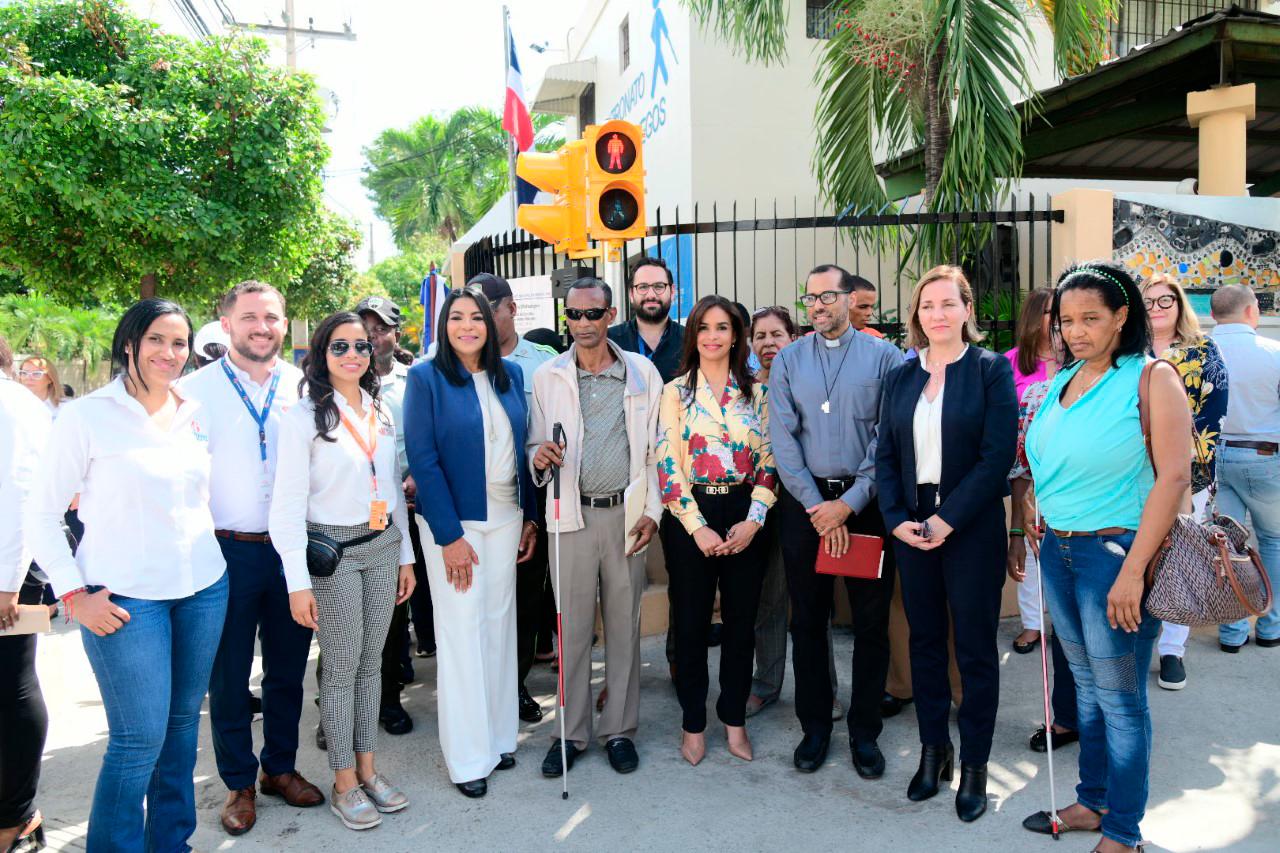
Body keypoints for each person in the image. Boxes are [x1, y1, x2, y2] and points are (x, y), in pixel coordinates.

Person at [27, 299, 230, 852]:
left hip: (203, 589)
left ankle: (171, 844)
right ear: (129, 344)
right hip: (124, 601)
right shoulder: (87, 416)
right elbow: (40, 514)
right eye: (156, 340)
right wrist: (73, 594)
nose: (170, 352)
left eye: (179, 342)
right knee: (138, 740)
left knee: (182, 728)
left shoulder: (195, 411)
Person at [1021, 262, 1192, 853]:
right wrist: (1038, 503)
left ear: (1122, 316)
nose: (1076, 331)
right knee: (1088, 690)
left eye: (1090, 318)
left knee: (1120, 702)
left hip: (1115, 557)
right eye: (1067, 321)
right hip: (1060, 551)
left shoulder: (1151, 377)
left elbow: (1174, 477)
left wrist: (1133, 572)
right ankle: (1092, 801)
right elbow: (1051, 454)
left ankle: (1124, 831)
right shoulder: (1066, 378)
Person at [876, 266, 1017, 821]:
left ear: (966, 310)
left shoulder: (990, 370)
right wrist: (896, 519)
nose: (937, 314)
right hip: (911, 526)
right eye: (927, 305)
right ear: (917, 314)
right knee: (925, 642)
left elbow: (996, 456)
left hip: (970, 525)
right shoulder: (901, 377)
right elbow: (887, 455)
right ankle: (934, 751)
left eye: (947, 303)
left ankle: (976, 763)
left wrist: (948, 520)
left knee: (975, 648)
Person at [179, 281, 319, 835]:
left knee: (288, 670)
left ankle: (279, 768)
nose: (262, 328)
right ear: (226, 324)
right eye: (250, 318)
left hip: (290, 551)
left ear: (284, 323)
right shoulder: (192, 391)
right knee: (229, 675)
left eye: (272, 318)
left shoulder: (306, 385)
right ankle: (238, 782)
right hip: (224, 551)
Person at [270, 312, 417, 830]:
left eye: (360, 346)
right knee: (340, 667)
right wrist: (297, 583)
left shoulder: (379, 410)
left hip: (382, 546)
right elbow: (286, 507)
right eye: (340, 346)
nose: (352, 354)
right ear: (321, 353)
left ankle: (369, 770)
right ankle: (343, 781)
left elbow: (391, 488)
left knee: (372, 664)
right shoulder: (303, 417)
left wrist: (405, 556)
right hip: (331, 553)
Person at [768, 264, 902, 778]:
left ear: (850, 298)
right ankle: (815, 728)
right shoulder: (789, 360)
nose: (818, 306)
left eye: (827, 296)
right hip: (805, 507)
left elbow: (887, 438)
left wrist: (847, 504)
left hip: (865, 504)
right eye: (810, 298)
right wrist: (818, 507)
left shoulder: (884, 357)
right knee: (807, 621)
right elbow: (783, 440)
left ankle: (865, 733)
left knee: (870, 624)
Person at [404, 286, 538, 798]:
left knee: (499, 628)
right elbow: (423, 459)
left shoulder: (512, 376)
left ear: (490, 323)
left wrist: (528, 517)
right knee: (461, 633)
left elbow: (522, 447)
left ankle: (499, 738)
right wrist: (449, 536)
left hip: (506, 518)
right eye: (456, 317)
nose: (467, 326)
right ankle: (466, 758)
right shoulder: (426, 379)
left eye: (476, 317)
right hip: (455, 525)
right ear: (444, 326)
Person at [528, 277, 663, 779]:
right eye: (573, 314)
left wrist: (653, 512)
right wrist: (539, 456)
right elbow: (533, 444)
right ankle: (569, 733)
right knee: (572, 631)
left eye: (592, 313)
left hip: (626, 516)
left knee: (624, 629)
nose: (582, 323)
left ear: (611, 315)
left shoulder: (642, 373)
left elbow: (657, 452)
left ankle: (620, 730)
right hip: (570, 516)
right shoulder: (548, 376)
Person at [655, 295, 778, 764]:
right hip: (691, 516)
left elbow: (770, 460)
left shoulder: (757, 394)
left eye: (722, 327)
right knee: (690, 625)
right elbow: (667, 462)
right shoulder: (675, 392)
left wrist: (754, 519)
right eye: (704, 327)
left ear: (735, 335)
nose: (712, 336)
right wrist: (697, 527)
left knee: (741, 626)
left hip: (745, 515)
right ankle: (693, 724)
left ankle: (734, 719)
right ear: (693, 335)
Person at [468, 273, 559, 724]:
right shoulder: (453, 364)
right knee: (476, 603)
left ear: (511, 309)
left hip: (530, 498)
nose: (479, 320)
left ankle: (515, 685)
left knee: (524, 601)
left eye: (487, 309)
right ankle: (479, 689)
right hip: (474, 503)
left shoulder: (544, 362)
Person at [744, 307, 841, 718]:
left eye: (776, 335)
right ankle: (766, 683)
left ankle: (824, 691)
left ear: (794, 338)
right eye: (760, 336)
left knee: (812, 605)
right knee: (767, 599)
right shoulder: (744, 390)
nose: (768, 343)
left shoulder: (808, 382)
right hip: (758, 507)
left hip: (805, 504)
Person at [1143, 273, 1229, 687]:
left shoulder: (1203, 350)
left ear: (1179, 304)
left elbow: (1215, 411)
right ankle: (1137, 640)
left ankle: (1172, 649)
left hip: (1186, 474)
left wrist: (1181, 459)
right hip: (1135, 473)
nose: (1157, 308)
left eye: (1165, 300)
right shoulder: (1129, 350)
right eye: (1149, 301)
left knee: (1180, 559)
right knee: (1138, 557)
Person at [606, 257, 686, 676]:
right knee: (620, 580)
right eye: (643, 287)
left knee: (682, 573)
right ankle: (621, 673)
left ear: (672, 291)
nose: (651, 294)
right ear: (631, 293)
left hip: (680, 474)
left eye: (659, 286)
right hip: (625, 473)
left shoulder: (691, 340)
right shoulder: (610, 341)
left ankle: (678, 661)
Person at [354, 295, 418, 737]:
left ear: (396, 333)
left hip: (399, 510)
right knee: (342, 617)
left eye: (380, 329)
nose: (373, 338)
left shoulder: (414, 383)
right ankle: (337, 705)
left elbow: (425, 438)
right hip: (344, 518)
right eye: (365, 330)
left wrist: (416, 478)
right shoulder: (335, 382)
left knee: (393, 610)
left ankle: (389, 698)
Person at [0, 335, 53, 853]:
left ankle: (16, 817)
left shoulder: (12, 404)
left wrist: (7, 584)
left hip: (11, 573)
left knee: (11, 687)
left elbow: (19, 498)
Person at [1209, 284, 1280, 652]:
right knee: (1274, 541)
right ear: (1252, 311)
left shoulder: (1200, 352)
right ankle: (1270, 626)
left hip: (1214, 457)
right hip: (1263, 455)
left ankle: (1232, 631)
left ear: (1213, 314)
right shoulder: (1273, 352)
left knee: (1227, 545)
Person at [1003, 287, 1058, 655]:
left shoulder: (1079, 361)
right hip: (1026, 469)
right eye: (1052, 312)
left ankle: (1067, 625)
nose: (1059, 320)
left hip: (1071, 472)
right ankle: (1032, 624)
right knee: (1029, 545)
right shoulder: (1010, 362)